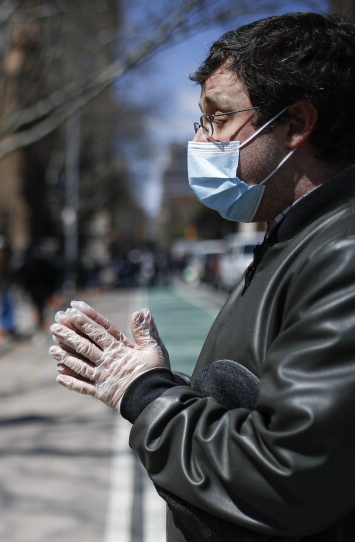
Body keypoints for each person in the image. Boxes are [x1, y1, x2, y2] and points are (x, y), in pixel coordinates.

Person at [49, 12, 355, 541]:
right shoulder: (293, 240)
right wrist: (163, 382)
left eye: (218, 117)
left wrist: (145, 395)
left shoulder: (341, 254)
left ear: (295, 125)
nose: (203, 139)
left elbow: (288, 475)